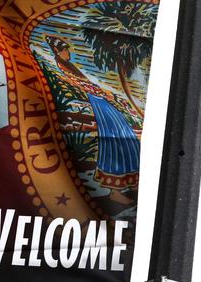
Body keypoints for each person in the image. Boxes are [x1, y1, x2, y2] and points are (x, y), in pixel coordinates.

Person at [45, 35, 140, 205]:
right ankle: (115, 191)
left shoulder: (69, 65)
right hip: (97, 102)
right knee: (113, 137)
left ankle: (132, 182)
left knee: (125, 134)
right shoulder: (62, 66)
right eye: (65, 49)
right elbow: (81, 85)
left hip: (100, 101)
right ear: (58, 51)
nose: (68, 52)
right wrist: (106, 94)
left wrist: (107, 95)